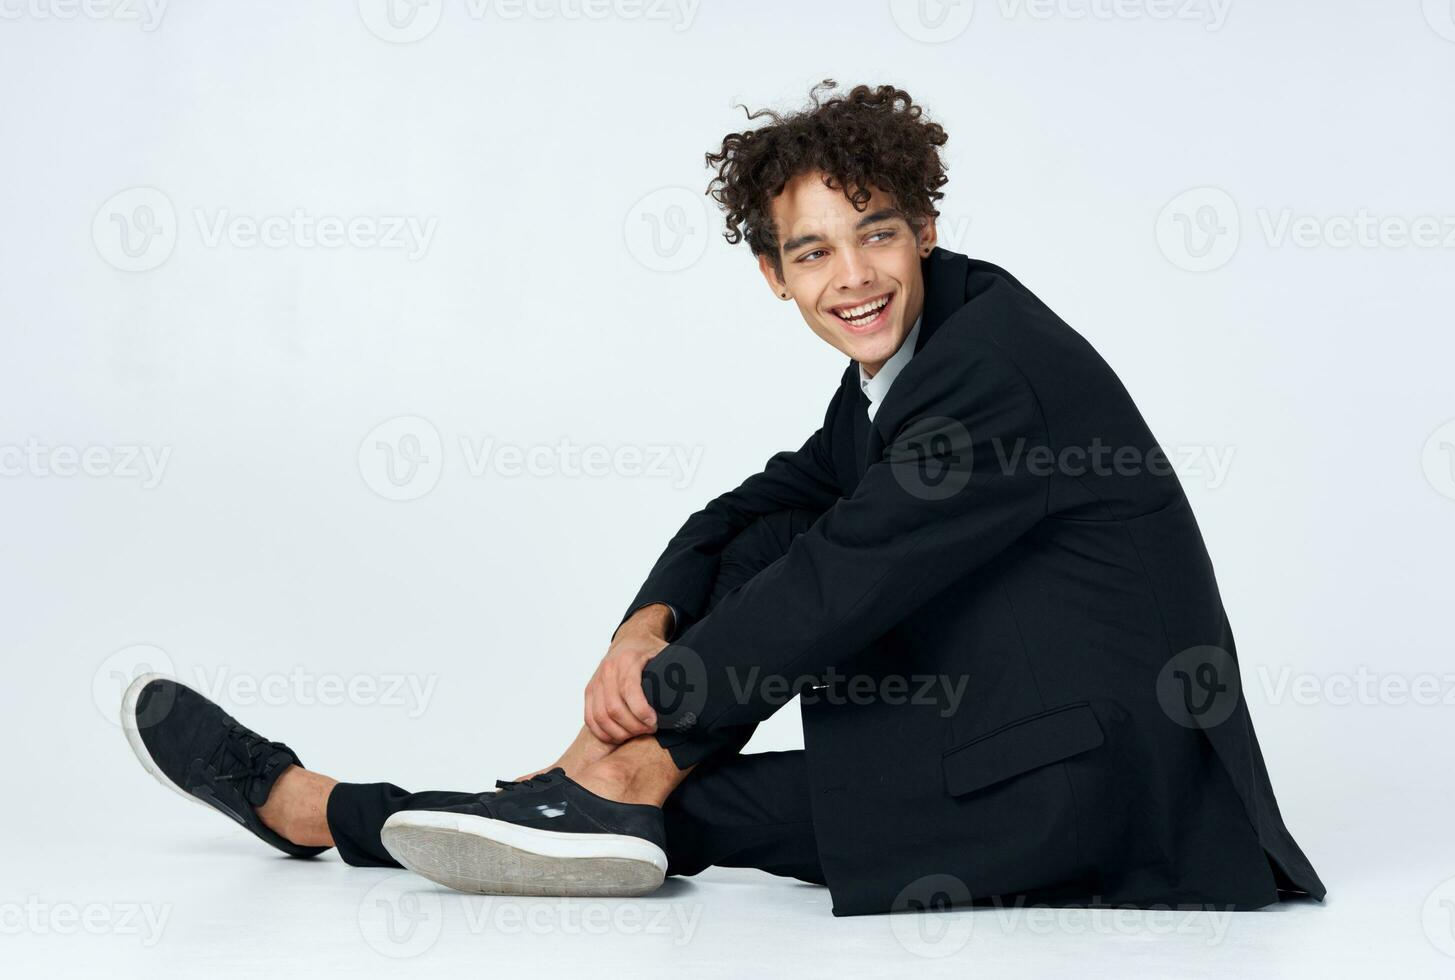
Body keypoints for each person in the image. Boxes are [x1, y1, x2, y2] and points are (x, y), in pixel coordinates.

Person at [121, 80, 1326, 917]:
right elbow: (766, 510)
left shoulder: (987, 375)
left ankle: (334, 806)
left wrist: (645, 715)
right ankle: (583, 797)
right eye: (814, 251)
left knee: (667, 804)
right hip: (1006, 722)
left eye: (877, 235)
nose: (853, 276)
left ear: (925, 229)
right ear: (772, 271)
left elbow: (843, 579)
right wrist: (642, 624)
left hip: (1100, 790)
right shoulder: (919, 353)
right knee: (766, 545)